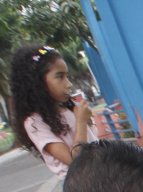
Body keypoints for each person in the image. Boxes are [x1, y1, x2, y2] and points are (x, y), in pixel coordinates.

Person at [10, 44, 98, 178]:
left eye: (67, 76)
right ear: (38, 83)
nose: (69, 84)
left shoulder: (70, 108)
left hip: (101, 175)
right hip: (82, 185)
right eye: (60, 76)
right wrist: (81, 121)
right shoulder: (34, 123)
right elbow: (75, 161)